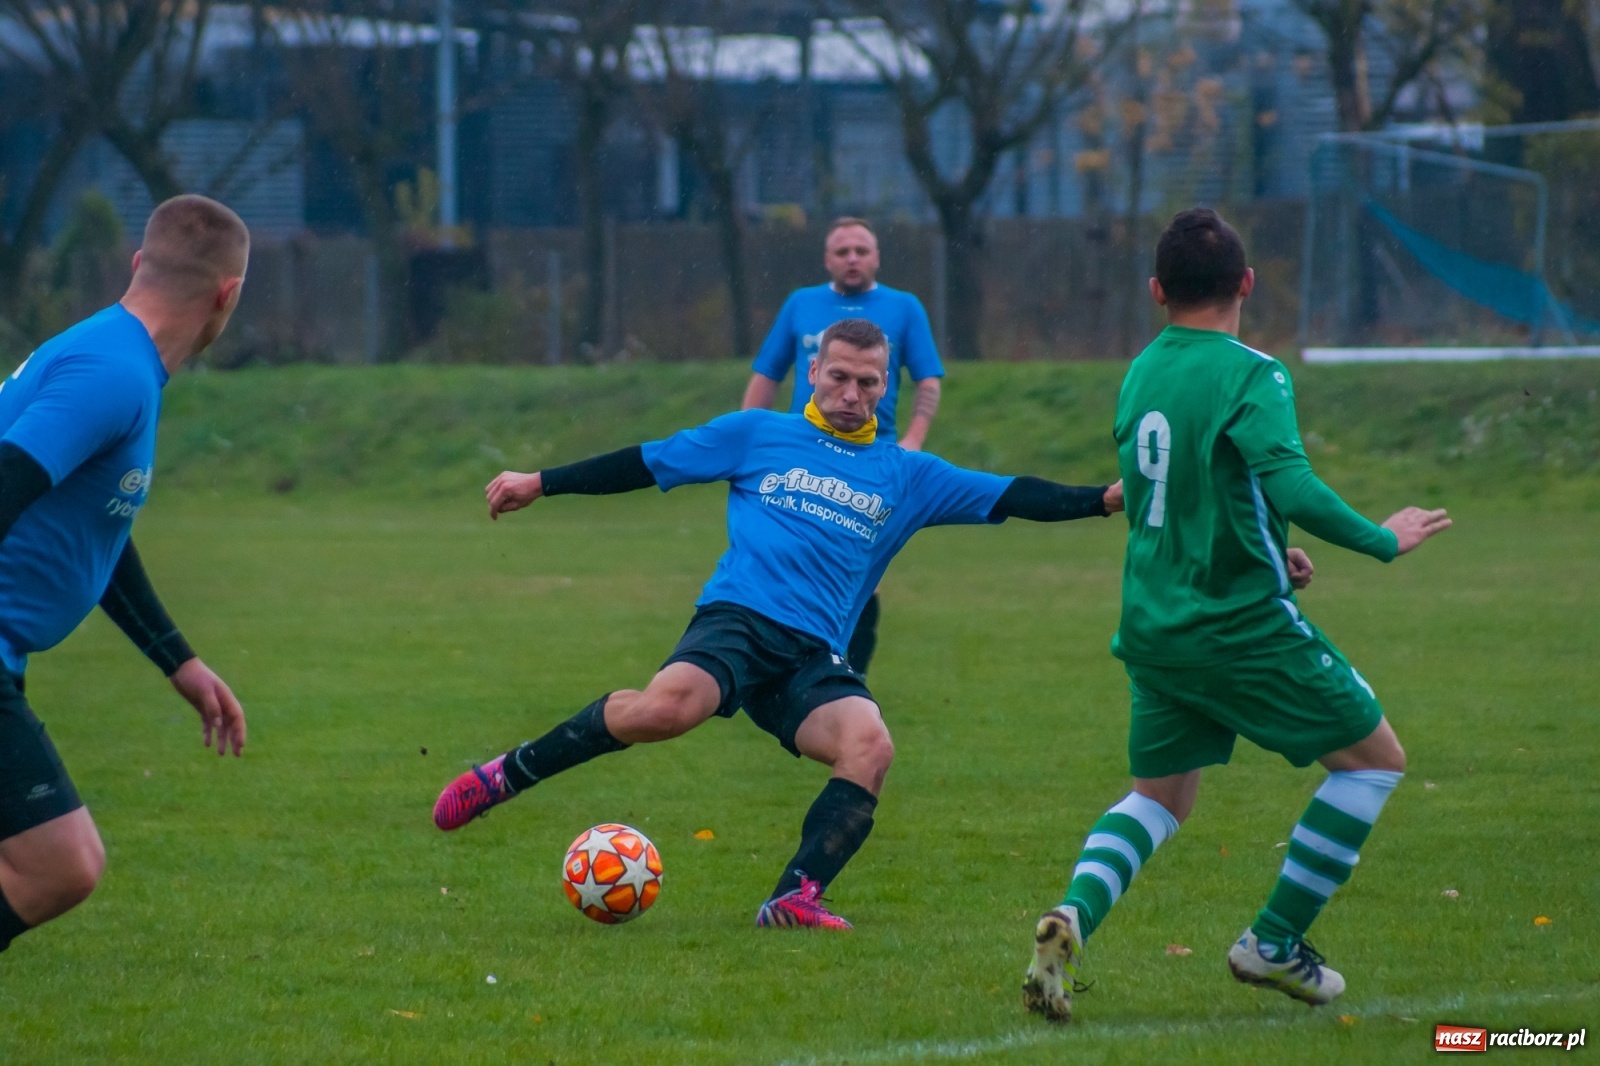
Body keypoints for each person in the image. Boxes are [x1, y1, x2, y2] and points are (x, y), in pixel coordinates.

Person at [437, 318, 1123, 929]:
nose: (852, 393)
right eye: (840, 377)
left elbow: (1011, 492)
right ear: (814, 373)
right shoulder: (757, 434)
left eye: (868, 382)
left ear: (886, 388)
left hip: (812, 655)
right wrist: (542, 481)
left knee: (870, 746)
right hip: (738, 621)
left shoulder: (907, 475)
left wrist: (1101, 498)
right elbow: (646, 461)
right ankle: (505, 775)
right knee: (663, 712)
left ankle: (794, 897)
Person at [1021, 208, 1451, 1021]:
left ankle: (1071, 916)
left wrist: (1271, 547)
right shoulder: (1255, 372)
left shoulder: (1142, 369)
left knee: (1158, 799)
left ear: (1157, 291)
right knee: (1373, 761)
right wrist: (1381, 539)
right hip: (1237, 628)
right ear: (1247, 283)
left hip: (1155, 625)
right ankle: (1274, 943)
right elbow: (1287, 484)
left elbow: (1181, 494)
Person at [0, 195, 251, 956]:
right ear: (226, 296)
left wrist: (178, 659)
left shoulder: (109, 352)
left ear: (138, 264)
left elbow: (92, 529)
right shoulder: (114, 374)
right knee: (59, 865)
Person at [742, 217, 944, 676]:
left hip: (870, 459)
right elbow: (767, 375)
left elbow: (927, 379)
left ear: (876, 257)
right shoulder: (801, 304)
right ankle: (786, 662)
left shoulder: (904, 307)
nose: (852, 258)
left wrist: (913, 440)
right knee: (789, 562)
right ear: (827, 259)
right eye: (842, 251)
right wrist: (749, 436)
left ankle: (849, 673)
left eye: (861, 250)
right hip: (801, 456)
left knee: (860, 572)